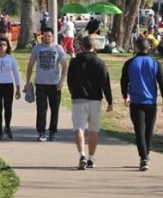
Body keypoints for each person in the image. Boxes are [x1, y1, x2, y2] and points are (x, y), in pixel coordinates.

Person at [67, 36, 113, 170]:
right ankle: (91, 158)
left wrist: (73, 93)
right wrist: (109, 101)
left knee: (79, 128)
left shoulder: (75, 62)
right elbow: (106, 82)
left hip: (79, 99)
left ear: (81, 47)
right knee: (94, 130)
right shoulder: (99, 62)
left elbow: (70, 80)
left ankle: (82, 155)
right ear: (94, 46)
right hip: (95, 100)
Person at [120, 38, 163, 171]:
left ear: (136, 48)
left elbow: (123, 81)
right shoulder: (155, 63)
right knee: (148, 130)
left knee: (139, 131)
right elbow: (161, 82)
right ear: (148, 48)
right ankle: (145, 155)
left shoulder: (130, 63)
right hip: (151, 101)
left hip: (136, 102)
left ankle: (144, 157)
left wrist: (125, 95)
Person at [25, 27, 67, 141]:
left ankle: (52, 131)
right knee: (41, 109)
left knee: (55, 109)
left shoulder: (58, 48)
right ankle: (41, 132)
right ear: (42, 36)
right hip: (40, 84)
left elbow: (64, 66)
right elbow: (30, 65)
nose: (47, 38)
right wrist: (27, 82)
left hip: (55, 84)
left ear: (53, 37)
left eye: (49, 36)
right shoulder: (37, 48)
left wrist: (62, 81)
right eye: (45, 36)